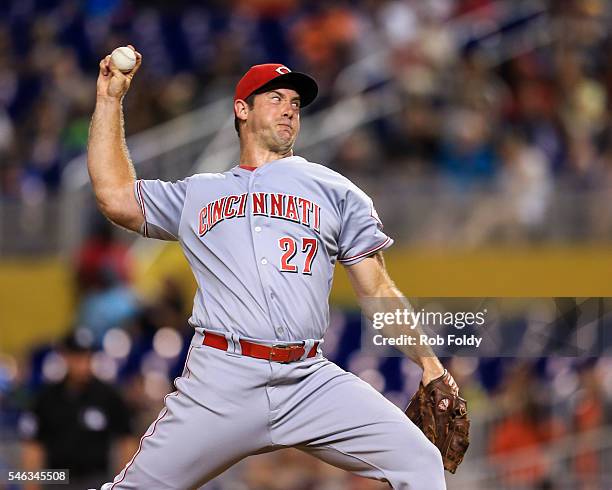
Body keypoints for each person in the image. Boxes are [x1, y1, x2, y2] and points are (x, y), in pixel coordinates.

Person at [89, 45, 459, 489]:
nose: (289, 110)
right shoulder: (199, 193)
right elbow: (115, 196)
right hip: (222, 379)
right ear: (241, 110)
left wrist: (430, 364)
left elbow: (377, 289)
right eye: (276, 98)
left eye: (296, 103)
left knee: (419, 461)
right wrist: (109, 99)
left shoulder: (335, 190)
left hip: (307, 377)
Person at [20, 331, 137, 490]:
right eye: (77, 357)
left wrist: (123, 484)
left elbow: (127, 442)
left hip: (96, 480)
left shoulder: (108, 397)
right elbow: (33, 448)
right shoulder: (46, 398)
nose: (82, 363)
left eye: (87, 356)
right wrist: (31, 486)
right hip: (57, 479)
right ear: (64, 356)